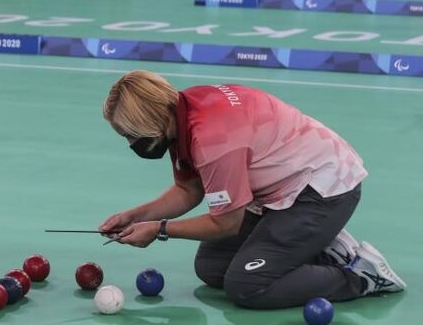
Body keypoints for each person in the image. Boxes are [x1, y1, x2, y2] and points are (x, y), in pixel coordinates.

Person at [98, 70, 406, 310]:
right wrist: (134, 216)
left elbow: (226, 223)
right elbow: (189, 189)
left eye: (129, 134)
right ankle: (322, 247)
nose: (130, 143)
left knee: (248, 285)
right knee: (212, 267)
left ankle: (361, 276)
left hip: (322, 190)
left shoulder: (213, 139)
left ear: (150, 120)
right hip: (280, 191)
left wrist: (160, 230)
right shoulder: (184, 108)